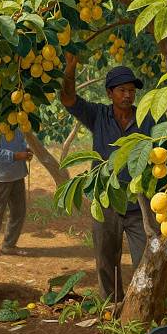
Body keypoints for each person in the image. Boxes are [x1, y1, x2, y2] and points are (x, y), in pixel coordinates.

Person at [60, 52, 153, 301]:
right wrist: (70, 68)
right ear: (109, 93)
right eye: (122, 90)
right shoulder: (98, 115)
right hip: (106, 202)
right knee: (105, 261)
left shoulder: (147, 118)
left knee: (144, 262)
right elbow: (68, 99)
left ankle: (139, 308)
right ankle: (111, 307)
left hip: (139, 205)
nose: (128, 95)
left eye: (132, 91)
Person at [0, 128, 33, 255]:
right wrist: (16, 156)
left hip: (17, 174)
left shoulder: (18, 122)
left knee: (18, 211)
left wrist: (25, 151)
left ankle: (9, 245)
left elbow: (20, 142)